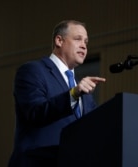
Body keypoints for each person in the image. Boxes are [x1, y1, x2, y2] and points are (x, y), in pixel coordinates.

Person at [8, 20, 106, 167]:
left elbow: (93, 129)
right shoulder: (33, 71)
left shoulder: (84, 90)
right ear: (59, 40)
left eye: (86, 41)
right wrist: (73, 94)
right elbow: (35, 112)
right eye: (78, 39)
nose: (84, 46)